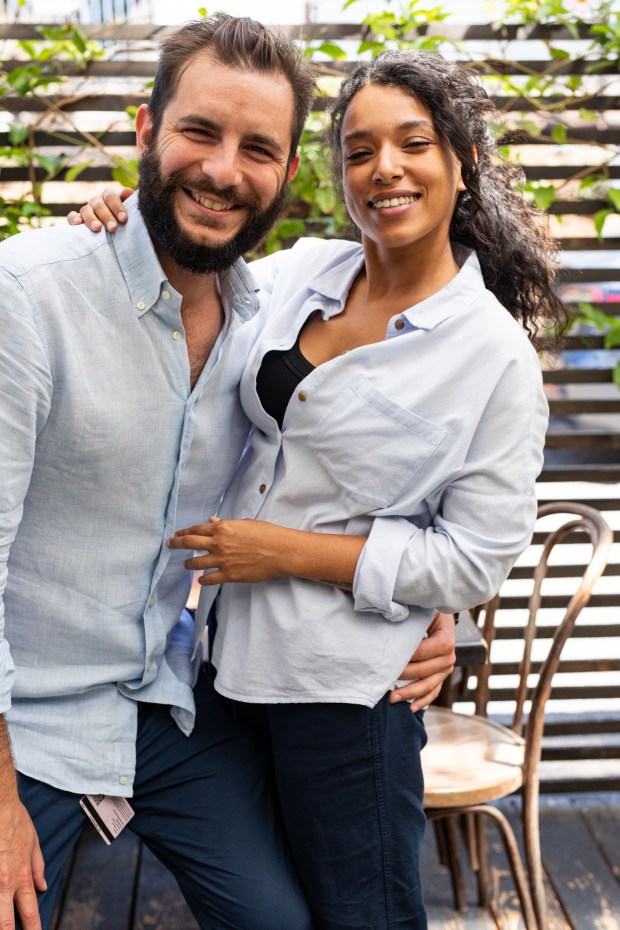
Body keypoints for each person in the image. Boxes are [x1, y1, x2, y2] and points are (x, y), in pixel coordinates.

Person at [79, 49, 568, 929]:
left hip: (345, 702)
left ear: (462, 164)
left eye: (412, 144)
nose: (384, 168)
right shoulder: (299, 273)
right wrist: (118, 218)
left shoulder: (492, 357)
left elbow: (475, 559)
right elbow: (186, 282)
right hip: (222, 673)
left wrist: (287, 554)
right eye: (358, 150)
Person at [0, 16, 457, 930]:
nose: (222, 170)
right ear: (145, 130)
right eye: (199, 132)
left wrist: (434, 608)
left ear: (286, 175)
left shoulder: (274, 319)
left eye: (257, 149)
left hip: (162, 704)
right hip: (26, 723)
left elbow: (356, 473)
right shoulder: (29, 295)